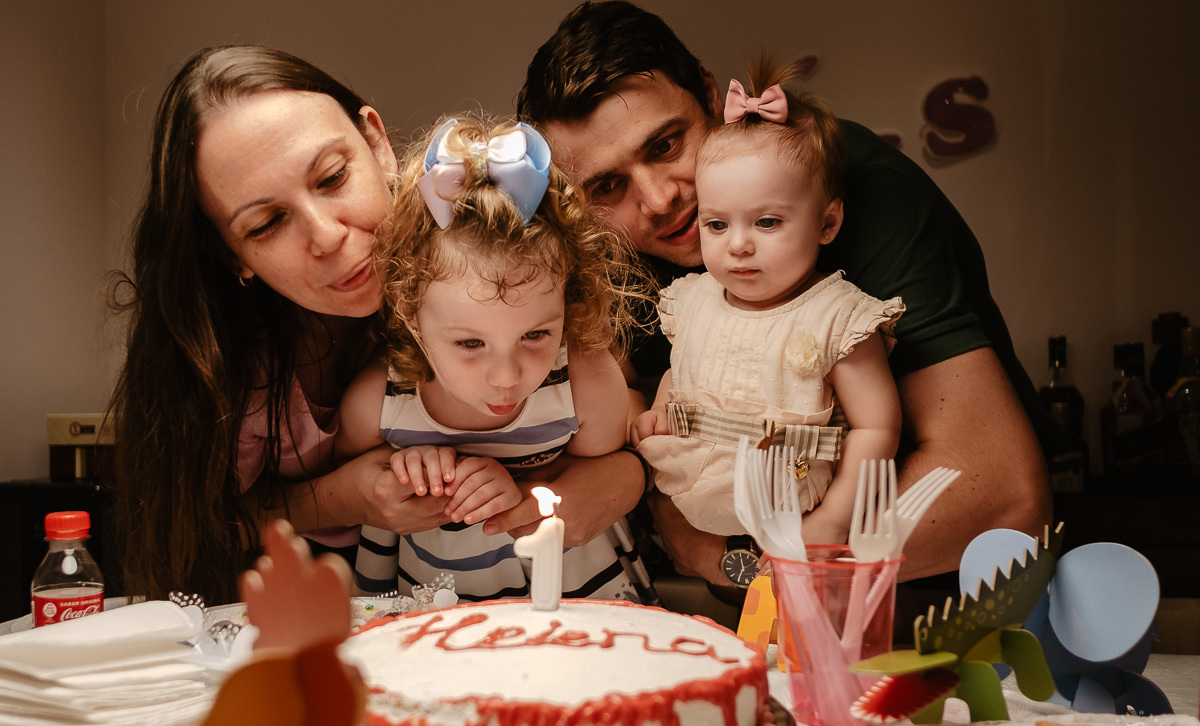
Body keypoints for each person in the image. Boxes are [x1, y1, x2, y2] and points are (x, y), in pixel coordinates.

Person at [518, 1, 1057, 587]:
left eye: (666, 145)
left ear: (708, 92)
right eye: (608, 185)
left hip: (944, 615)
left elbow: (1003, 495)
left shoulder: (853, 184)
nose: (656, 200)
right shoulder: (613, 251)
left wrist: (739, 562)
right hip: (758, 634)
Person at [109, 45, 645, 605]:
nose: (327, 235)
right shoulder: (232, 363)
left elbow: (625, 408)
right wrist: (345, 497)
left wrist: (615, 479)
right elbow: (198, 530)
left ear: (375, 142)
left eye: (333, 177)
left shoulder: (484, 259)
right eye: (267, 223)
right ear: (229, 254)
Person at [336, 115, 641, 601]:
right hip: (436, 619)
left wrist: (524, 486)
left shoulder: (584, 382)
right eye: (470, 344)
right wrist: (409, 468)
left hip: (577, 604)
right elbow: (357, 486)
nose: (507, 376)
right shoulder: (377, 405)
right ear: (411, 316)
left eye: (537, 334)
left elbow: (604, 474)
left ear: (569, 301)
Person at [630, 62, 904, 546]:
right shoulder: (693, 300)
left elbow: (877, 427)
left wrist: (834, 522)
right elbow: (685, 364)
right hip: (695, 487)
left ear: (827, 223)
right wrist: (663, 404)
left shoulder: (836, 317)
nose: (738, 245)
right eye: (716, 225)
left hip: (793, 490)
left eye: (768, 222)